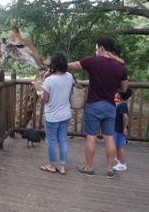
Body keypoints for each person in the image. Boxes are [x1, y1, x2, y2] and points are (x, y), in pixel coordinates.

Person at [68, 37, 128, 179]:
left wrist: (57, 64)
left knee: (91, 138)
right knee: (110, 139)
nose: (95, 51)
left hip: (93, 105)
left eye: (96, 48)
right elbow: (124, 88)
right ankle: (110, 169)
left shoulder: (93, 61)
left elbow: (74, 65)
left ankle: (89, 168)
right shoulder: (120, 67)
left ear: (101, 48)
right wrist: (113, 88)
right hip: (110, 106)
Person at [39, 52, 74, 175]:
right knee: (63, 139)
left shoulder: (49, 81)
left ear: (53, 65)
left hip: (52, 116)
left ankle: (51, 165)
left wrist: (44, 79)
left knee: (51, 140)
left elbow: (45, 99)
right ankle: (62, 166)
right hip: (65, 114)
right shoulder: (69, 76)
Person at [113, 88, 132, 171]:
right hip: (118, 129)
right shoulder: (121, 104)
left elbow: (126, 117)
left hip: (120, 130)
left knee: (120, 146)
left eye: (118, 93)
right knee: (117, 145)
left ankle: (123, 164)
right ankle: (118, 159)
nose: (116, 94)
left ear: (120, 95)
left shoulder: (122, 106)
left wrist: (124, 128)